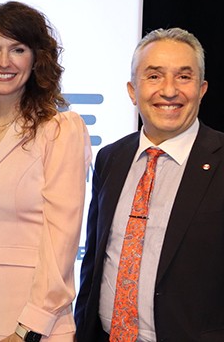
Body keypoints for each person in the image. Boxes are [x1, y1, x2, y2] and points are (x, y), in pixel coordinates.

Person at [0, 1, 91, 342]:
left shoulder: (59, 129)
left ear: (36, 57)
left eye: (18, 49)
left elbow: (62, 241)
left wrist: (29, 327)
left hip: (28, 326)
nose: (4, 61)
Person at [75, 27, 224, 341]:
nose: (169, 91)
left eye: (184, 77)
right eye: (154, 76)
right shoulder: (111, 159)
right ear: (132, 90)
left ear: (202, 88)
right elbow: (95, 261)